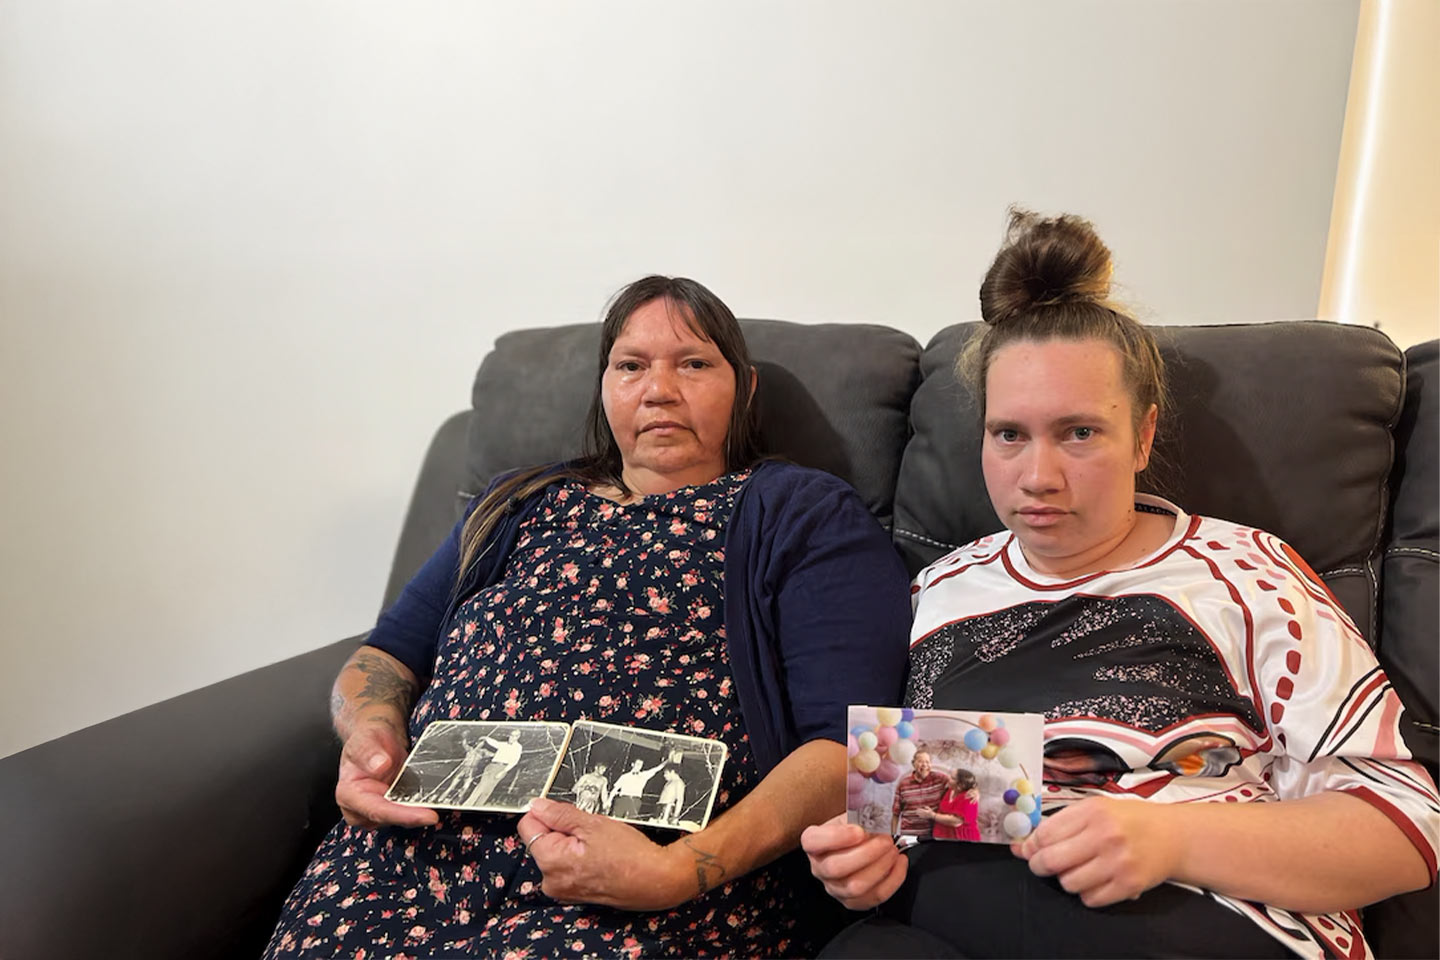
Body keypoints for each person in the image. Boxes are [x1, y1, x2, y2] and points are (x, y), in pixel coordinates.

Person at [802, 211, 1438, 959]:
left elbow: (1402, 826)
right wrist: (866, 859)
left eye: (1080, 433)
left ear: (1141, 437)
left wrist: (1171, 839)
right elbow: (915, 801)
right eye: (1009, 434)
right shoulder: (936, 591)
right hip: (955, 918)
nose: (1037, 477)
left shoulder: (1242, 572)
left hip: (1196, 918)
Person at [264, 275, 912, 958]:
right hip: (406, 855)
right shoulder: (515, 502)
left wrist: (675, 872)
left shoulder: (803, 511)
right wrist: (370, 739)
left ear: (744, 388)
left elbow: (848, 751)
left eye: (693, 363)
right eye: (630, 366)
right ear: (604, 388)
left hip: (643, 881)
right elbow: (385, 657)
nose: (658, 389)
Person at [890, 751, 949, 839]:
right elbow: (895, 813)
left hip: (933, 835)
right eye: (921, 761)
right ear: (913, 764)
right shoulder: (903, 784)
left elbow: (960, 784)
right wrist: (893, 836)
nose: (924, 765)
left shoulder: (940, 779)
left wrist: (974, 790)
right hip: (909, 835)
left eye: (927, 762)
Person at [464, 730, 524, 806]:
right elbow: (495, 743)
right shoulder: (503, 744)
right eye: (511, 735)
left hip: (502, 768)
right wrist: (486, 738)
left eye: (515, 736)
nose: (512, 737)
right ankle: (467, 805)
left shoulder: (518, 747)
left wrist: (503, 771)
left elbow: (514, 761)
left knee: (488, 789)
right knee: (481, 786)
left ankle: (478, 806)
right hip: (492, 766)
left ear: (518, 737)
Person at [927, 768, 980, 842]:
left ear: (961, 784)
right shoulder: (949, 791)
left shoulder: (969, 796)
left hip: (962, 840)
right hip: (942, 837)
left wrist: (932, 815)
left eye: (952, 778)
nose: (948, 778)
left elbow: (956, 821)